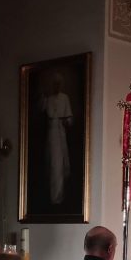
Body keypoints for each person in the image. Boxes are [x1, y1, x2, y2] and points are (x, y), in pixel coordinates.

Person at [44, 73, 73, 205]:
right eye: (54, 84)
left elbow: (69, 118)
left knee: (60, 165)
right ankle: (53, 197)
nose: (56, 86)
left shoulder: (65, 98)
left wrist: (66, 121)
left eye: (58, 84)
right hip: (51, 134)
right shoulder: (48, 99)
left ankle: (59, 196)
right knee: (52, 164)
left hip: (60, 133)